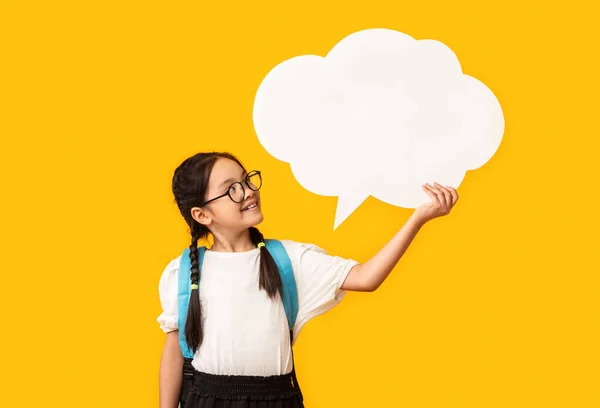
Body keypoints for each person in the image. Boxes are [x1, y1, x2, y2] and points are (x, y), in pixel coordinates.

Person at [157, 152, 459, 408]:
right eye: (232, 189)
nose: (248, 191)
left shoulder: (290, 259)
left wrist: (417, 218)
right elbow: (174, 348)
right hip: (206, 399)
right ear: (202, 214)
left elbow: (367, 277)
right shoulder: (182, 273)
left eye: (247, 180)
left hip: (277, 398)